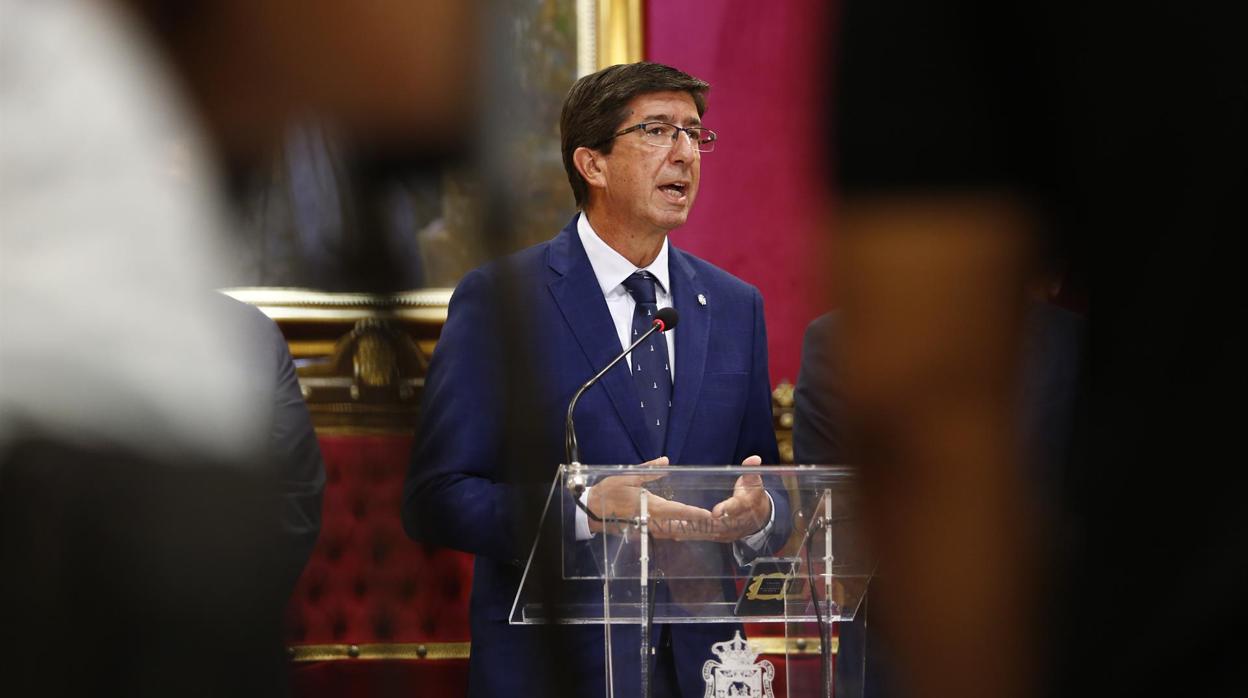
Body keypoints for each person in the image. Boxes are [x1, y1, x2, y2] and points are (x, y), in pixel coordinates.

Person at [402, 62, 789, 698]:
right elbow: (435, 498)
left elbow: (763, 480)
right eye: (658, 130)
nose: (685, 153)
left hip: (699, 669)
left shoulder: (733, 306)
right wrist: (582, 510)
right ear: (592, 163)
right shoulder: (502, 301)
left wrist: (762, 511)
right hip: (557, 670)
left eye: (695, 133)